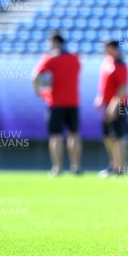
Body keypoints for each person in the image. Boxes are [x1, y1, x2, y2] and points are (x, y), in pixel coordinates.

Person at [31, 31, 82, 176]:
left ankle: (57, 168)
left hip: (56, 102)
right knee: (74, 135)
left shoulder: (51, 58)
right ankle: (76, 167)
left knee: (55, 136)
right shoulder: (75, 58)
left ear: (55, 42)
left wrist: (39, 91)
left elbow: (35, 75)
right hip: (73, 102)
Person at [95, 40, 128, 177]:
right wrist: (100, 98)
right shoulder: (107, 62)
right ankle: (113, 164)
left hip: (118, 105)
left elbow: (122, 87)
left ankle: (120, 167)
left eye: (106, 47)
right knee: (108, 136)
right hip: (107, 104)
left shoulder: (121, 64)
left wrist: (114, 105)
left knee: (118, 136)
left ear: (113, 48)